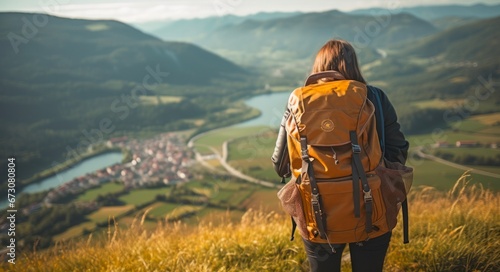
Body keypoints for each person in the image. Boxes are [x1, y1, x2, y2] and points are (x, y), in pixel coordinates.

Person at [271, 39, 409, 272]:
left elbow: (280, 165)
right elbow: (398, 150)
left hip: (316, 213)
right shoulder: (374, 97)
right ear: (353, 65)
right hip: (371, 208)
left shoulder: (298, 102)